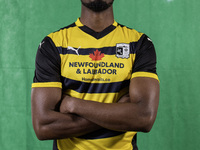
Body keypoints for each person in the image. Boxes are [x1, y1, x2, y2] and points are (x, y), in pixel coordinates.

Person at [31, 0, 160, 149]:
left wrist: (74, 105)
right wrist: (117, 113)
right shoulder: (53, 44)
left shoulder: (139, 44)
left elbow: (144, 118)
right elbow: (44, 127)